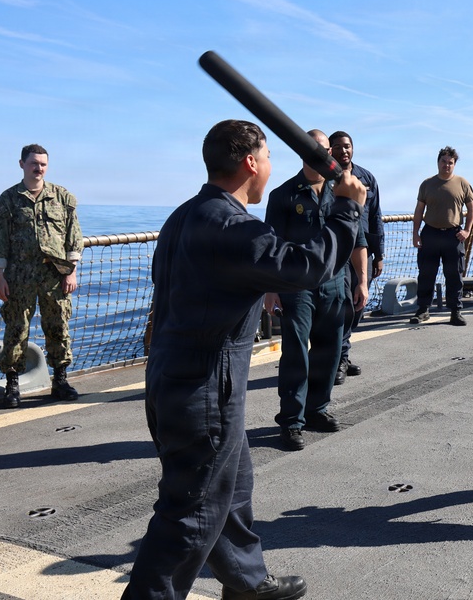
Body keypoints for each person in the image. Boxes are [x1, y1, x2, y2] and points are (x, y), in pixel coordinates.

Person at [123, 120, 365, 600]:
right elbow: (304, 268)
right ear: (251, 163)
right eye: (269, 157)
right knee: (190, 515)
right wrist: (347, 209)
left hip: (175, 375)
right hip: (205, 386)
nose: (271, 167)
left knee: (231, 488)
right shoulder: (232, 225)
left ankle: (247, 583)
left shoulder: (184, 215)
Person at [265, 130, 365, 451]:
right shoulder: (283, 195)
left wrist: (362, 280)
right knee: (296, 352)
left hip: (335, 281)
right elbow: (271, 247)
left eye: (324, 150)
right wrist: (271, 289)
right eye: (313, 149)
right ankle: (291, 421)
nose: (320, 155)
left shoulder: (342, 191)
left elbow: (357, 239)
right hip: (296, 284)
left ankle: (316, 410)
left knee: (331, 349)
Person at [0, 144, 83, 407]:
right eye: (33, 163)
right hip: (19, 276)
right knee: (17, 328)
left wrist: (71, 272)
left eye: (42, 164)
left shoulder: (62, 197)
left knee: (58, 326)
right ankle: (12, 384)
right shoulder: (8, 199)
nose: (38, 168)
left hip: (56, 274)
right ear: (22, 164)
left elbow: (74, 237)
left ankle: (60, 380)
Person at [328, 131, 382, 384]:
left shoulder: (367, 178)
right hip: (335, 252)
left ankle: (342, 354)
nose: (344, 151)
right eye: (338, 147)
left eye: (347, 146)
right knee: (343, 307)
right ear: (330, 150)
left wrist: (379, 255)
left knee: (358, 306)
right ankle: (339, 358)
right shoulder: (326, 178)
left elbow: (376, 217)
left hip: (363, 253)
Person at [410, 147, 473, 326]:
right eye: (444, 161)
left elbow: (472, 209)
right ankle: (423, 309)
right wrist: (415, 233)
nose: (447, 165)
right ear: (438, 162)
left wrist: (467, 230)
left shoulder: (462, 183)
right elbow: (419, 210)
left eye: (450, 162)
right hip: (430, 233)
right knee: (426, 273)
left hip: (453, 235)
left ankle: (455, 311)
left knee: (454, 275)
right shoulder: (427, 184)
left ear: (454, 164)